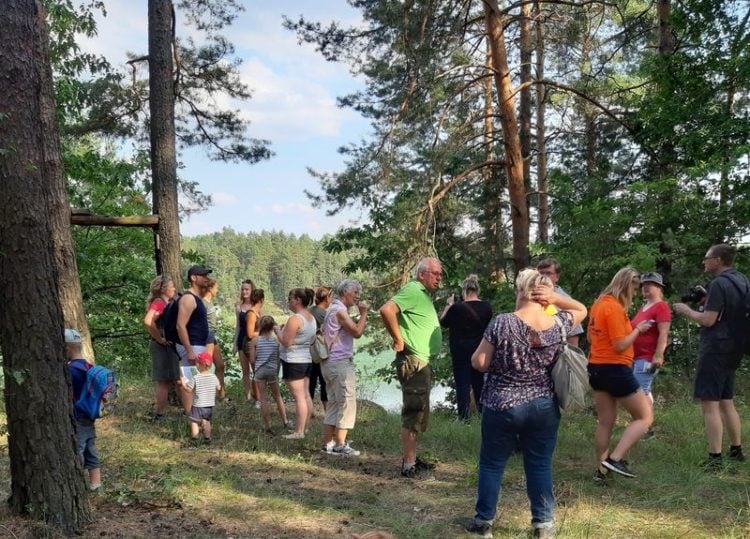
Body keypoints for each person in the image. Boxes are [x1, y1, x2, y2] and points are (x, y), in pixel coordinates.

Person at [465, 269, 587, 539]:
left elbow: (479, 363)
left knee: (492, 464)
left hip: (502, 403)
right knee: (540, 464)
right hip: (543, 404)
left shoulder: (502, 322)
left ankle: (483, 522)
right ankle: (543, 525)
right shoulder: (557, 323)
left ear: (520, 291)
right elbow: (581, 309)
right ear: (543, 294)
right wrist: (554, 298)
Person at [674, 243, 748, 468]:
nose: (704, 262)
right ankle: (736, 450)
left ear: (718, 260)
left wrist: (686, 310)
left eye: (707, 258)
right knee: (726, 400)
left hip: (716, 347)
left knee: (710, 402)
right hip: (736, 346)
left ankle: (715, 458)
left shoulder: (719, 284)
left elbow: (708, 320)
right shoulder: (742, 280)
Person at [379, 257, 443, 477]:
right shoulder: (413, 290)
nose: (439, 278)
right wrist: (398, 339)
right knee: (413, 411)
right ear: (422, 274)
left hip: (421, 360)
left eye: (440, 274)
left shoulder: (422, 294)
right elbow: (387, 310)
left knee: (419, 411)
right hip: (413, 360)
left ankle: (412, 458)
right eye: (435, 273)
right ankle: (408, 465)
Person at [588, 267, 654, 480]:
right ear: (626, 285)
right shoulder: (614, 308)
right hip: (615, 368)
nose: (635, 293)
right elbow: (620, 345)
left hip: (596, 367)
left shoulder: (598, 304)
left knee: (605, 421)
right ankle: (614, 459)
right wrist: (638, 330)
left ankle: (601, 471)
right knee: (644, 417)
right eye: (634, 289)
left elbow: (591, 338)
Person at [321, 279, 369, 456]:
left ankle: (328, 443)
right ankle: (340, 445)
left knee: (333, 402)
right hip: (340, 363)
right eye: (355, 292)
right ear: (345, 293)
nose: (358, 296)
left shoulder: (331, 309)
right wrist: (363, 313)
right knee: (346, 403)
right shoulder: (340, 311)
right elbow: (357, 332)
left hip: (329, 363)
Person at [439, 274, 493, 422]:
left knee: (462, 384)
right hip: (480, 351)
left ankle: (463, 418)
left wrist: (449, 305)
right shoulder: (487, 307)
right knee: (480, 384)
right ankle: (483, 416)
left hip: (460, 351)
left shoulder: (456, 308)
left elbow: (443, 322)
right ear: (478, 290)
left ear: (464, 291)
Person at [631, 272, 671, 438]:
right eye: (643, 284)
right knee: (643, 391)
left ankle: (645, 428)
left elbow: (664, 334)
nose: (645, 287)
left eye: (651, 284)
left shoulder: (661, 307)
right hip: (635, 356)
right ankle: (645, 426)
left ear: (659, 288)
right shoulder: (643, 307)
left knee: (638, 392)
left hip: (647, 357)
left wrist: (658, 355)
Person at [65, 328, 102, 491]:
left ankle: (76, 486)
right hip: (89, 414)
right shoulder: (89, 366)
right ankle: (96, 484)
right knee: (90, 449)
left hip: (77, 415)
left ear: (67, 349)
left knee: (78, 449)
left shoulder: (71, 370)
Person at [278, 287, 317, 439]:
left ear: (298, 300)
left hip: (294, 360)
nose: (288, 301)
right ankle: (304, 428)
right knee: (306, 395)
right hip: (306, 358)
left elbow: (286, 342)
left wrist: (277, 331)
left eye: (290, 298)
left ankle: (298, 432)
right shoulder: (310, 318)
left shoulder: (295, 319)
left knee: (299, 397)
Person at [175, 266, 212, 414]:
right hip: (192, 347)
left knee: (196, 383)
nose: (206, 278)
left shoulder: (196, 298)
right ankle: (192, 419)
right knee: (189, 384)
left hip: (197, 346)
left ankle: (195, 418)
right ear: (193, 278)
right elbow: (180, 326)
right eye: (202, 275)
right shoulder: (188, 298)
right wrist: (189, 350)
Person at [143, 275, 180, 419]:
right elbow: (148, 321)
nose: (174, 289)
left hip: (166, 346)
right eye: (172, 286)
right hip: (162, 347)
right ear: (164, 289)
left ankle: (186, 410)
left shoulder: (166, 303)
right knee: (165, 381)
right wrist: (160, 339)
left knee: (173, 380)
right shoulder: (159, 303)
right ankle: (160, 414)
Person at [254, 315, 290, 433]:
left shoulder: (255, 340)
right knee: (277, 396)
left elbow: (253, 359)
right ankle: (285, 421)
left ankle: (268, 426)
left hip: (260, 370)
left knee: (263, 398)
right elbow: (279, 355)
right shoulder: (276, 340)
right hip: (272, 370)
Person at [537, 258, 585, 346]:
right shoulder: (531, 297)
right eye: (541, 273)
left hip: (557, 354)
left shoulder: (565, 300)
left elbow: (573, 334)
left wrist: (571, 357)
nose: (543, 276)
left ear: (557, 277)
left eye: (548, 273)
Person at [182, 352, 221, 444]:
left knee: (194, 421)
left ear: (199, 365)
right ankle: (207, 438)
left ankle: (195, 439)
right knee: (206, 421)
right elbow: (219, 387)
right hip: (209, 404)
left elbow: (188, 390)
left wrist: (184, 383)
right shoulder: (213, 376)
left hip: (198, 404)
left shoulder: (196, 377)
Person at [201, 277, 227, 401]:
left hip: (212, 335)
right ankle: (205, 396)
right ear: (210, 288)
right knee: (206, 365)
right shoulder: (203, 302)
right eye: (216, 287)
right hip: (206, 336)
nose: (218, 290)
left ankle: (221, 394)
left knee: (220, 365)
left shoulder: (210, 302)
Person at [309, 286, 332, 415]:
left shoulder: (310, 310)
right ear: (327, 298)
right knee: (324, 383)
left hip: (310, 352)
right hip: (322, 353)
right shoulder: (325, 314)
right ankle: (327, 412)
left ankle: (310, 411)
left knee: (311, 383)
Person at [234, 279, 255, 402]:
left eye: (247, 289)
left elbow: (262, 323)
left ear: (252, 290)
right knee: (245, 371)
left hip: (253, 340)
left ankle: (257, 395)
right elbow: (238, 326)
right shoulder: (238, 306)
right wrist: (234, 343)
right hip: (242, 339)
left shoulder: (256, 305)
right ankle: (248, 397)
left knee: (256, 370)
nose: (244, 291)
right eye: (242, 289)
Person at [243, 288, 265, 404]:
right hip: (250, 345)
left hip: (258, 344)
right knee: (257, 371)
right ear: (261, 299)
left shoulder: (259, 312)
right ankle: (257, 399)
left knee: (259, 370)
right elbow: (250, 333)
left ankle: (258, 396)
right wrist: (264, 332)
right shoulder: (251, 314)